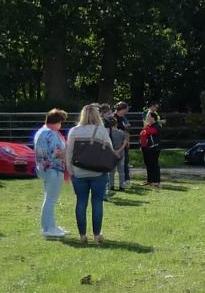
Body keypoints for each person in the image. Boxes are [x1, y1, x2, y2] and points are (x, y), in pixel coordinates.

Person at [66, 102, 117, 244]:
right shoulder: (101, 131)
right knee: (97, 203)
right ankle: (97, 235)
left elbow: (69, 153)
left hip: (79, 172)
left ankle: (82, 236)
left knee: (81, 202)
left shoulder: (74, 131)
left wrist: (71, 170)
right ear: (97, 115)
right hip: (98, 173)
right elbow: (110, 150)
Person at [33, 108, 72, 238]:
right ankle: (48, 228)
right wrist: (70, 150)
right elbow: (57, 153)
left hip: (44, 169)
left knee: (49, 198)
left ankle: (50, 226)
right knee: (51, 199)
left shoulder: (41, 131)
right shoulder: (52, 134)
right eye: (61, 122)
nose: (61, 125)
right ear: (57, 122)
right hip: (54, 169)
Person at [138, 105, 164, 190]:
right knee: (148, 164)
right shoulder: (148, 126)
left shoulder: (157, 126)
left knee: (154, 164)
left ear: (153, 118)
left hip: (154, 148)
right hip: (146, 148)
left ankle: (156, 181)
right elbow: (142, 134)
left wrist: (145, 129)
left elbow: (148, 132)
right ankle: (150, 180)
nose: (147, 118)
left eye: (149, 117)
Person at [110, 102, 133, 192]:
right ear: (122, 109)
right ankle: (111, 185)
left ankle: (125, 181)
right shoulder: (113, 117)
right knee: (112, 167)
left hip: (123, 144)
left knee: (124, 163)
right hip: (114, 145)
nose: (127, 110)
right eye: (126, 108)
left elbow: (127, 130)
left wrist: (128, 141)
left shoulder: (124, 118)